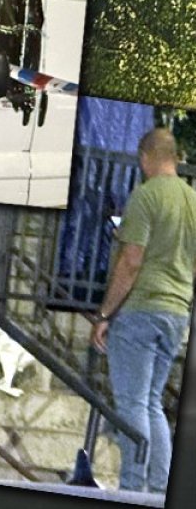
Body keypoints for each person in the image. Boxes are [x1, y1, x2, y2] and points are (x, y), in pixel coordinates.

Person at [91, 128, 196, 493]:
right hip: (177, 312)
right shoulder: (192, 200)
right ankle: (161, 487)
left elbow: (131, 261)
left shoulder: (146, 196)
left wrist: (105, 315)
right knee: (153, 403)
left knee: (133, 403)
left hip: (141, 310)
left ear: (146, 156)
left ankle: (132, 487)